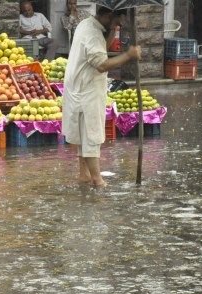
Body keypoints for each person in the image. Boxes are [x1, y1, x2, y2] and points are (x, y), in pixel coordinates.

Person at [62, 7, 141, 188]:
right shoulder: (92, 33)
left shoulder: (88, 25)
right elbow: (102, 64)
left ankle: (84, 174)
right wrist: (128, 55)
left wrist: (113, 29)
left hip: (81, 87)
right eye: (116, 21)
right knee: (91, 136)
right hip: (86, 90)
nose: (118, 24)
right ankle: (98, 180)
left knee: (84, 135)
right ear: (106, 15)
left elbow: (101, 50)